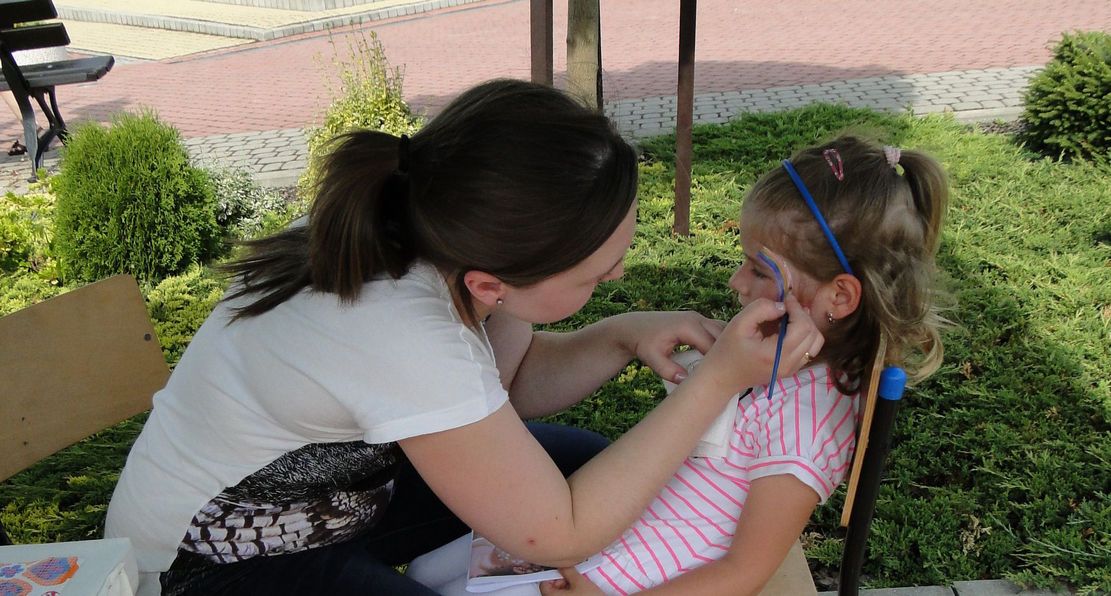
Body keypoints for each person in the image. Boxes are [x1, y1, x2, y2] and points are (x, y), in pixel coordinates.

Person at [104, 79, 822, 596]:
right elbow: (561, 530)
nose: (618, 273)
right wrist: (716, 382)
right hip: (209, 562)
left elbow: (505, 383)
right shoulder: (398, 329)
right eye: (597, 274)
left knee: (582, 462)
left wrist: (620, 337)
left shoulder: (436, 230)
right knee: (579, 498)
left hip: (335, 497)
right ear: (492, 283)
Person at [406, 134, 949, 596]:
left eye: (760, 271)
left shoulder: (808, 423)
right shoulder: (771, 358)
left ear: (840, 297)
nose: (737, 282)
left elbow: (744, 570)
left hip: (619, 578)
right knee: (428, 573)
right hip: (604, 530)